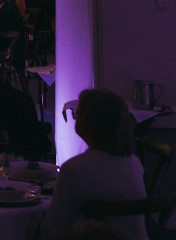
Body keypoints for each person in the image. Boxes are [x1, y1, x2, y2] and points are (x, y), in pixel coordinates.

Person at [43, 89, 147, 240]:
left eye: (78, 112)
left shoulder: (74, 169)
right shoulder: (134, 164)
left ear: (88, 120)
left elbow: (52, 229)